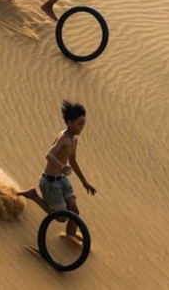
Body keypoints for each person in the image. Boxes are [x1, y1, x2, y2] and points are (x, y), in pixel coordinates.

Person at [17, 100, 97, 241]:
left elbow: (72, 161)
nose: (82, 127)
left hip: (62, 180)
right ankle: (33, 195)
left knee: (74, 211)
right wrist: (61, 166)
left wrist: (85, 182)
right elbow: (49, 155)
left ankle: (70, 237)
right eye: (79, 124)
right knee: (61, 218)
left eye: (83, 124)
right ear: (69, 122)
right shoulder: (63, 138)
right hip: (50, 183)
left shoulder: (74, 140)